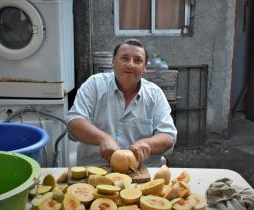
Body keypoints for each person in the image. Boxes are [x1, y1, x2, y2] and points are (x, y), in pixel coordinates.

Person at [66, 39, 177, 167]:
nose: (130, 65)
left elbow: (168, 136)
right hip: (96, 169)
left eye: (137, 60)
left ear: (144, 67)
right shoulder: (95, 85)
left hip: (142, 172)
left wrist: (147, 144)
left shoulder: (155, 94)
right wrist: (103, 139)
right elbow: (74, 121)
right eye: (125, 58)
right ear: (113, 62)